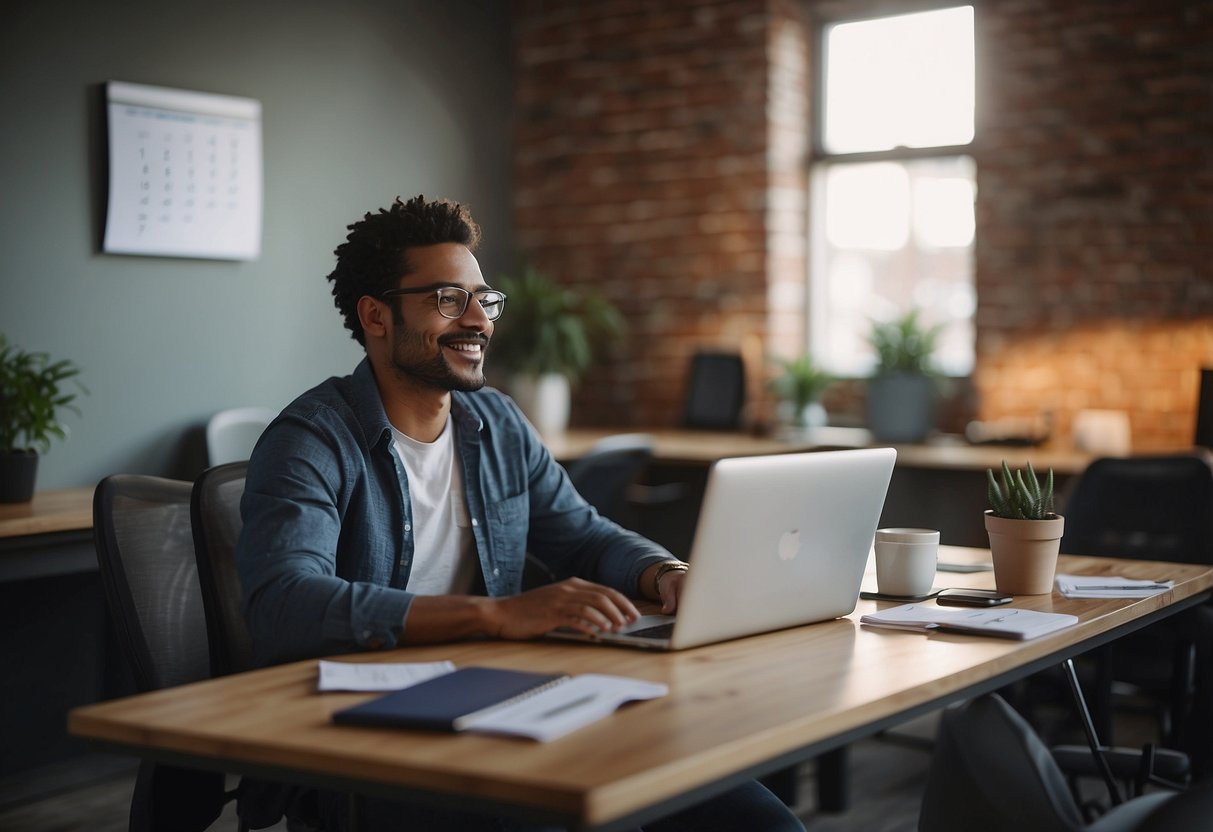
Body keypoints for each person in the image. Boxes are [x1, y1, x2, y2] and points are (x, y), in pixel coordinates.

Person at [235, 194, 805, 832]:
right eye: (448, 299)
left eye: (484, 298)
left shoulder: (496, 422)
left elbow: (583, 536)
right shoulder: (311, 440)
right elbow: (284, 602)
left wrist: (664, 572)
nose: (478, 319)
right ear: (376, 315)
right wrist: (495, 615)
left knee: (758, 822)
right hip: (366, 739)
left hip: (499, 697)